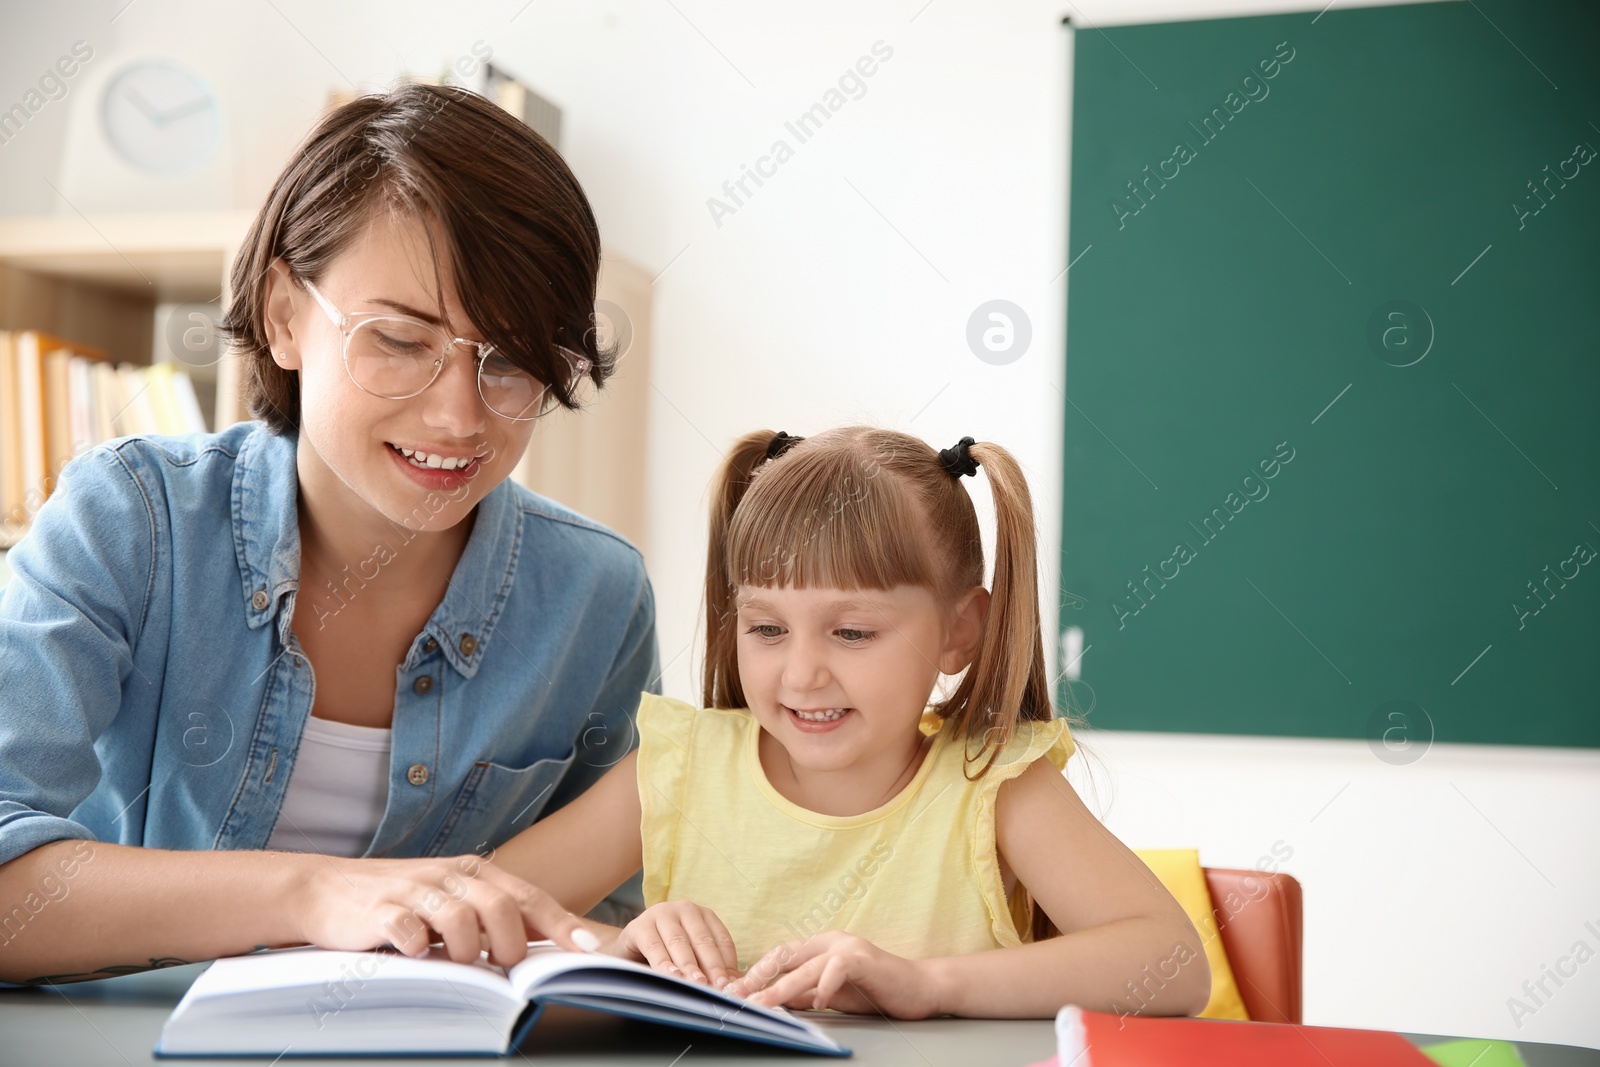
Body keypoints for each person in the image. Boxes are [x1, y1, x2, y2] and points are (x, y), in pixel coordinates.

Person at [0, 84, 657, 985]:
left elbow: (604, 928)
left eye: (510, 360)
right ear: (283, 315)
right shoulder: (131, 521)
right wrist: (314, 894)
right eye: (399, 340)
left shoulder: (598, 598)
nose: (460, 415)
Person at [493, 427, 1209, 1018]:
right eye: (767, 628)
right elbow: (475, 908)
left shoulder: (996, 785)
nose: (802, 674)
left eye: (853, 633)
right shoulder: (680, 770)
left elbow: (1172, 963)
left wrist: (929, 985)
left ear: (961, 631)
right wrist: (614, 945)